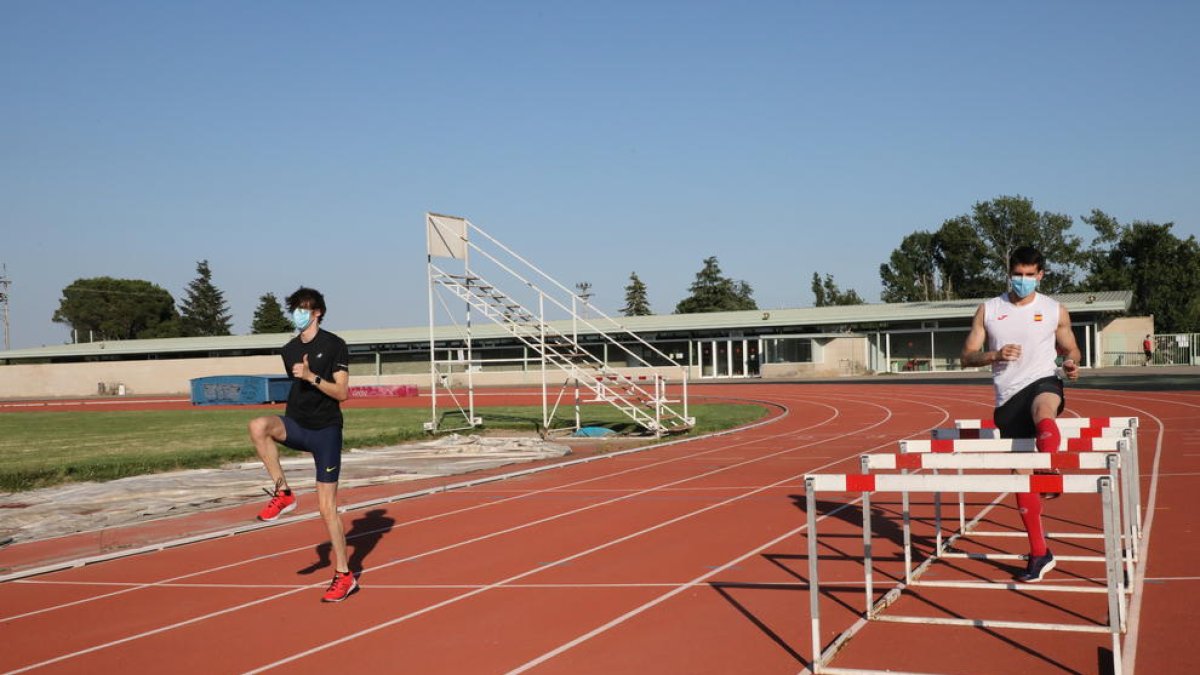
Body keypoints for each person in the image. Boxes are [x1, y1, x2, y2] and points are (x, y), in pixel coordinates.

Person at [961, 246, 1081, 583]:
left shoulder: (1055, 310)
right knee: (1021, 479)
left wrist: (1071, 363)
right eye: (1018, 274)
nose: (1023, 281)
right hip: (1007, 398)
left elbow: (1071, 349)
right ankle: (1040, 552)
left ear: (1040, 275)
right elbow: (966, 356)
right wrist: (994, 355)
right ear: (1009, 273)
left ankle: (1049, 463)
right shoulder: (989, 310)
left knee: (1044, 409)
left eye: (1030, 275)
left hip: (1043, 382)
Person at [248, 287, 357, 602]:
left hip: (326, 432)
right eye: (294, 308)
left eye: (303, 309)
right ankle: (283, 493)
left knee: (326, 508)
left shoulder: (335, 345)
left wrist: (311, 376)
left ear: (317, 312)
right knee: (258, 425)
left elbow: (342, 393)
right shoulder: (288, 350)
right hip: (297, 424)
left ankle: (344, 574)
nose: (297, 314)